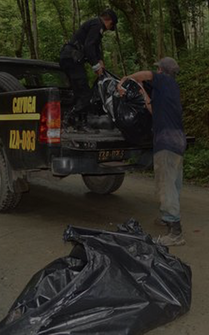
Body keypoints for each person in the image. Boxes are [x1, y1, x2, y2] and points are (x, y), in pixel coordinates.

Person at [117, 57, 187, 246]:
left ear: (163, 71)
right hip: (178, 140)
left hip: (167, 142)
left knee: (165, 184)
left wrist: (126, 79)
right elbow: (154, 110)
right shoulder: (169, 90)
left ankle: (175, 232)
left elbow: (146, 74)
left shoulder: (165, 80)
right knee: (174, 182)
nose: (156, 72)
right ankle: (167, 216)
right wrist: (144, 96)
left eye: (159, 69)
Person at [59, 9, 118, 132]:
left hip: (69, 58)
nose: (107, 30)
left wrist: (100, 60)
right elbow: (89, 46)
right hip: (72, 59)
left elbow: (95, 46)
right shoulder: (97, 25)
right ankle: (69, 119)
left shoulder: (94, 24)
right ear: (109, 21)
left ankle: (80, 124)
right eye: (110, 27)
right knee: (86, 93)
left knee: (79, 93)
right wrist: (96, 66)